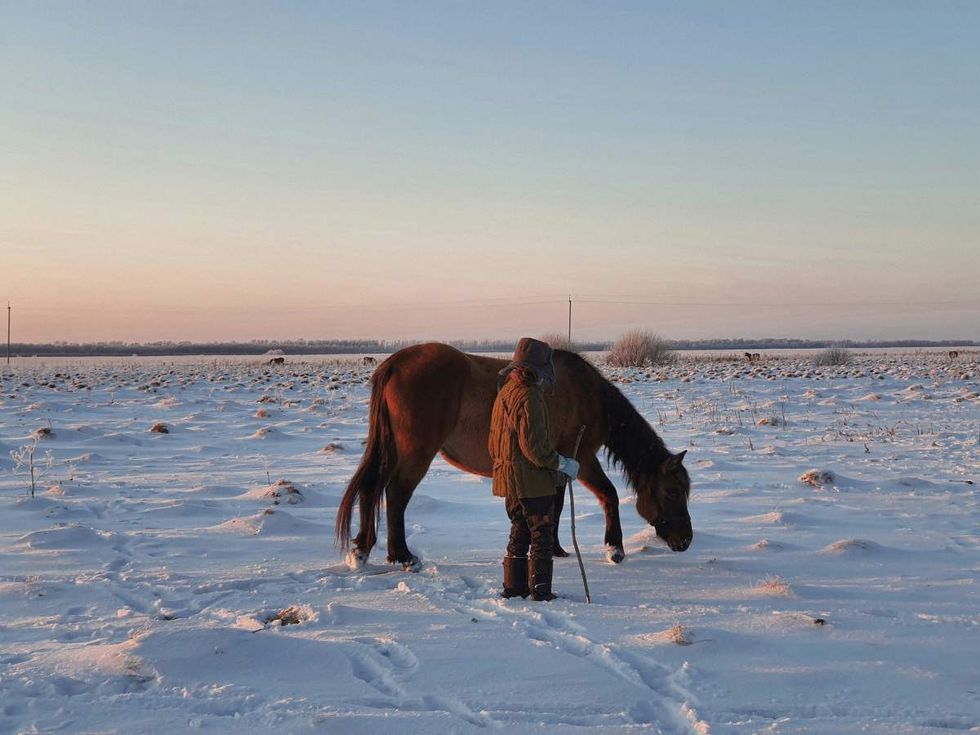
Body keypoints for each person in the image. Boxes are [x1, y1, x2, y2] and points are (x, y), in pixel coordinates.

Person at [488, 337, 580, 601]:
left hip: (510, 477)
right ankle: (541, 592)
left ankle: (514, 587)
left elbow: (495, 440)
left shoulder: (505, 391)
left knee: (519, 529)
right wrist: (562, 464)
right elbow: (535, 449)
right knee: (542, 533)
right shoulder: (530, 397)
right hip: (532, 480)